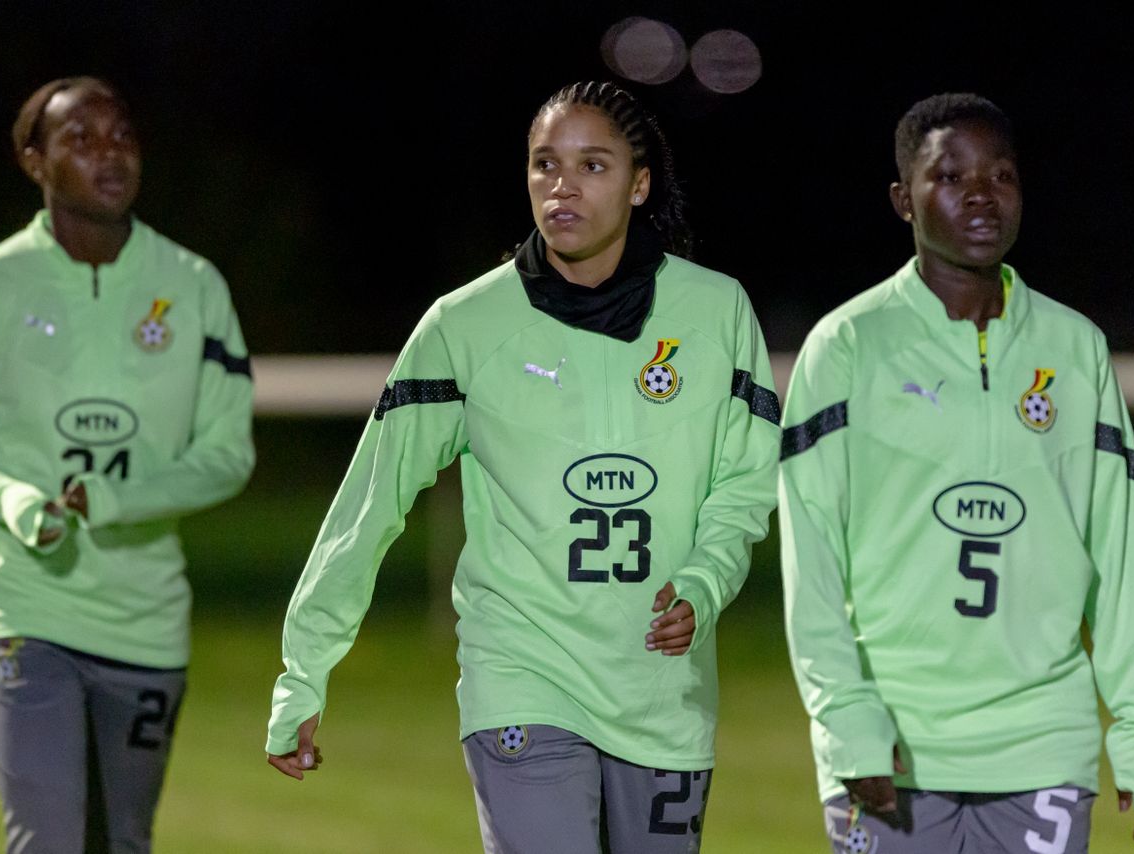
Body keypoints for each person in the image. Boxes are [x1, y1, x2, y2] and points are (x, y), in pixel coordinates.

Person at [266, 81, 780, 852]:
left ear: (640, 184)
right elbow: (369, 504)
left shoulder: (716, 311)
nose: (562, 185)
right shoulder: (465, 324)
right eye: (545, 163)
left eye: (592, 165)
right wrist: (303, 672)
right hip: (520, 675)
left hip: (661, 691)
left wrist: (705, 582)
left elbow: (744, 482)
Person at [778, 93, 1134, 853]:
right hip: (892, 744)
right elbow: (811, 558)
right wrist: (848, 723)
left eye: (1001, 175)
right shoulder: (848, 346)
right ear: (904, 199)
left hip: (1046, 745)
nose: (982, 195)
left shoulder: (1076, 349)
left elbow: (1119, 557)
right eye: (951, 176)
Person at [0, 76, 255, 852]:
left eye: (121, 135)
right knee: (48, 839)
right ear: (34, 161)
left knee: (120, 842)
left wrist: (119, 499)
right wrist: (11, 507)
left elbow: (228, 454)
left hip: (144, 621)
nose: (109, 153)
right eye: (80, 139)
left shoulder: (193, 286)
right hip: (21, 605)